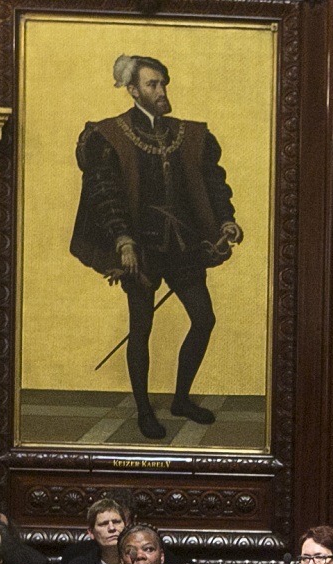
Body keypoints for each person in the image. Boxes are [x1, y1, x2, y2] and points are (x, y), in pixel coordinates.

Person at [71, 54, 242, 441]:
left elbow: (212, 181)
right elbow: (106, 192)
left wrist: (225, 219)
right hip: (140, 250)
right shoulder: (109, 135)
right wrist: (123, 239)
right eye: (152, 85)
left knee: (204, 319)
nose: (161, 91)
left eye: (163, 83)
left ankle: (181, 399)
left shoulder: (189, 134)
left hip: (183, 246)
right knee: (141, 329)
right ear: (133, 90)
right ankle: (145, 410)